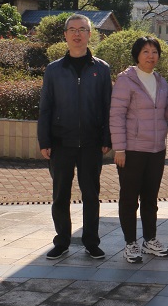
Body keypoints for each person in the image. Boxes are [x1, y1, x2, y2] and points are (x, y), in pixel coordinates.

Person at [109, 37, 168, 262]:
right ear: (137, 55)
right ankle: (130, 244)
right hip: (132, 150)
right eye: (145, 51)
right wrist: (119, 149)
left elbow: (166, 114)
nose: (150, 56)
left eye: (154, 52)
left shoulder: (161, 81)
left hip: (157, 150)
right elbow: (116, 116)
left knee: (150, 199)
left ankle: (150, 240)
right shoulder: (126, 80)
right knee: (129, 199)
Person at [38, 14, 112, 260]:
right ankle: (62, 241)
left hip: (91, 143)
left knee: (91, 195)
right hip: (61, 142)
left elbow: (107, 106)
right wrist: (44, 140)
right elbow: (46, 107)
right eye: (72, 29)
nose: (77, 34)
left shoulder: (101, 69)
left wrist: (107, 138)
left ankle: (91, 241)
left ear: (90, 34)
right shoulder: (54, 70)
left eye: (82, 29)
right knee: (60, 195)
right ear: (65, 35)